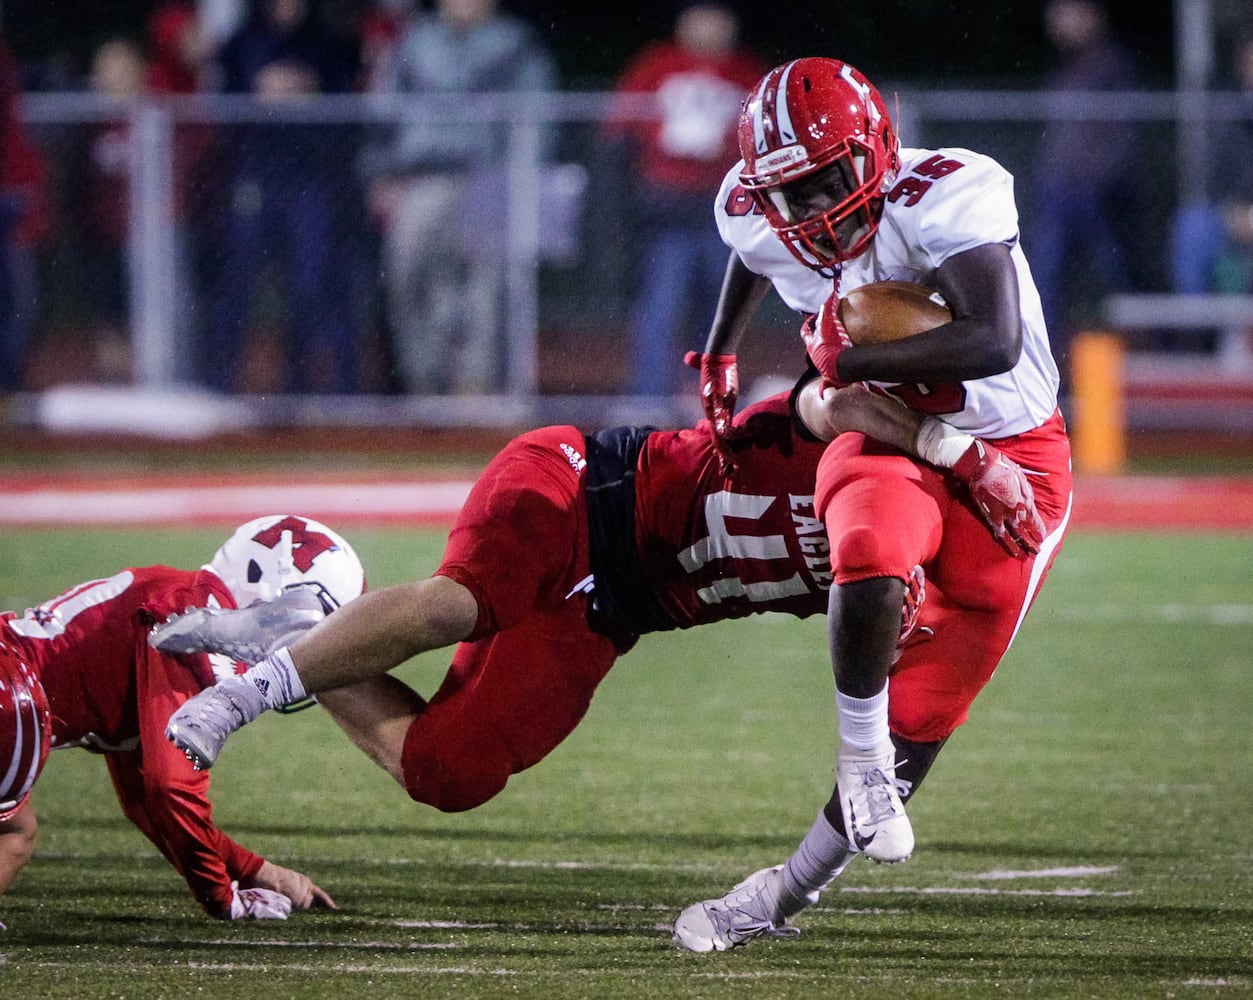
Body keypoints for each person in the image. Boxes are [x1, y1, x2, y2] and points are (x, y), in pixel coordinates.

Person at [161, 377, 1042, 835]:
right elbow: (834, 398)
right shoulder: (864, 454)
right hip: (583, 484)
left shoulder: (900, 598)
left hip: (612, 607)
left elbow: (897, 722)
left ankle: (299, 629)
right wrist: (959, 454)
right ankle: (241, 695)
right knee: (472, 600)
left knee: (450, 774)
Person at [675, 56, 1072, 949]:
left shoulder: (944, 192)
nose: (813, 206)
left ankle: (780, 895)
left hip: (1018, 453)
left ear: (875, 148)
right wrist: (721, 349)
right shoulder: (754, 211)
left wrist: (841, 355)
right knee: (870, 541)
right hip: (890, 432)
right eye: (793, 191)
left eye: (827, 178)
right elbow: (752, 251)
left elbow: (994, 339)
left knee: (924, 716)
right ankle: (857, 756)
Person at [0, 514, 365, 924]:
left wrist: (254, 870)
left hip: (11, 682)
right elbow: (170, 788)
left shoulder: (178, 594)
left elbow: (146, 802)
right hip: (11, 699)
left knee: (15, 827)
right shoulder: (191, 628)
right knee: (13, 835)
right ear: (271, 592)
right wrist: (222, 898)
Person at [361, 0, 558, 395]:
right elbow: (385, 110)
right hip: (421, 178)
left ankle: (474, 385)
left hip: (488, 177)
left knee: (484, 288)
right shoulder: (416, 41)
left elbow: (537, 116)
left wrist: (521, 180)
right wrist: (380, 172)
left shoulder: (515, 44)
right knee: (407, 277)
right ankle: (423, 381)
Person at [602, 2, 766, 397]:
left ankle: (716, 397)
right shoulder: (658, 64)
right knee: (662, 307)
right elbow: (618, 126)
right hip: (669, 209)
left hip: (725, 210)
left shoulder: (745, 71)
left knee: (724, 313)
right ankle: (650, 397)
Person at [203, 0, 362, 393]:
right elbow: (221, 110)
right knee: (238, 284)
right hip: (254, 175)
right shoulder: (241, 42)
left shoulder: (330, 42)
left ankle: (301, 385)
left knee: (310, 284)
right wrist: (258, 94)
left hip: (310, 178)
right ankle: (221, 385)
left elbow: (348, 113)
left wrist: (308, 92)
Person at [1030, 0, 1139, 382]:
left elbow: (1121, 140)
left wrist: (1095, 180)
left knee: (1115, 280)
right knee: (1044, 284)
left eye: (1068, 13)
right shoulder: (1065, 70)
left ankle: (1137, 361)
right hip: (1062, 194)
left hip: (1100, 198)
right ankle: (1049, 371)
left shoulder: (1111, 68)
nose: (1057, 22)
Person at [1170, 32, 1253, 297]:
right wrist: (1233, 212)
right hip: (1235, 213)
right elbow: (1216, 178)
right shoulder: (1229, 118)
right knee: (1192, 225)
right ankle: (1194, 323)